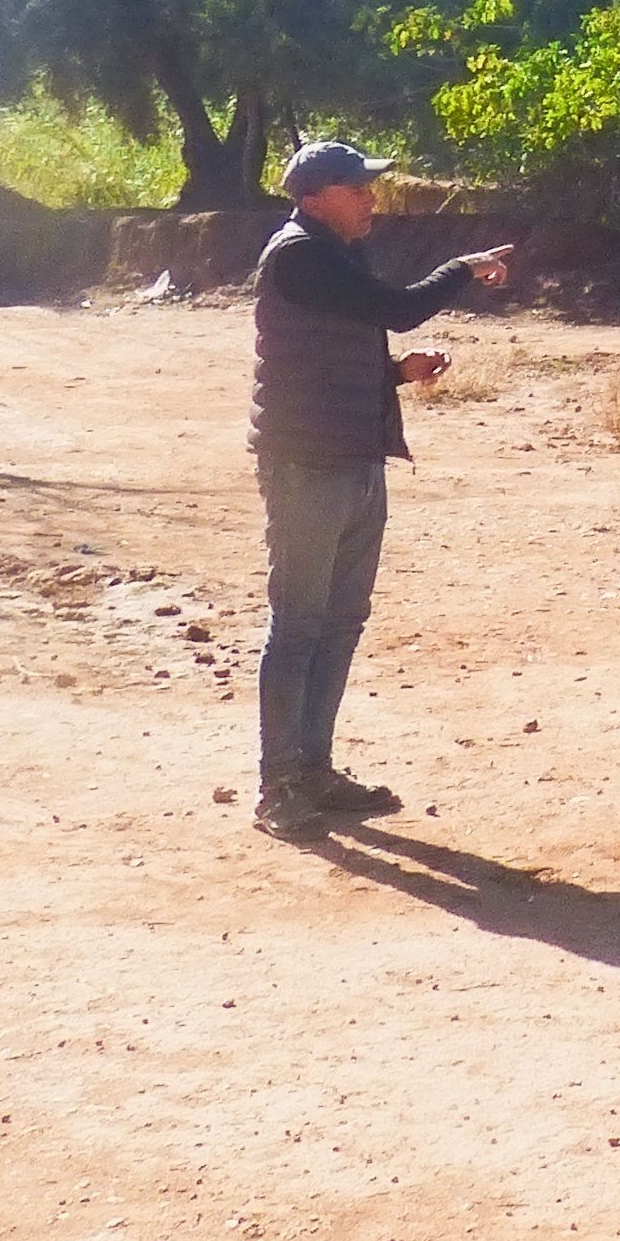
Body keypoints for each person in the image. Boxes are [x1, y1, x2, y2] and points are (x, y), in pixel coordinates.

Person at [243, 141, 514, 842]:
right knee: (300, 623)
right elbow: (397, 308)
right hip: (308, 466)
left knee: (339, 621)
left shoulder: (334, 255)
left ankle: (315, 771)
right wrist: (463, 267)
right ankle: (279, 786)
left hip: (352, 458)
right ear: (312, 197)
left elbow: (334, 348)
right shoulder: (300, 254)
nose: (370, 197)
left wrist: (396, 374)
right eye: (356, 186)